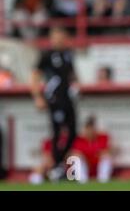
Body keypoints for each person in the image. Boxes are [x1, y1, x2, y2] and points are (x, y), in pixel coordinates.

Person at [30, 27, 78, 181]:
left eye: (61, 37)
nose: (59, 40)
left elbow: (71, 74)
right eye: (56, 37)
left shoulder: (68, 54)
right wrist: (37, 96)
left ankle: (59, 164)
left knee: (72, 132)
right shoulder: (46, 56)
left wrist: (76, 85)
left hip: (68, 99)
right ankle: (57, 168)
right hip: (55, 99)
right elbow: (35, 76)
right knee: (57, 133)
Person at [72, 116, 113, 183]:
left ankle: (103, 180)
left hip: (97, 164)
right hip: (86, 165)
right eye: (88, 129)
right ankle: (82, 180)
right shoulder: (79, 140)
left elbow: (109, 151)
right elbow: (75, 153)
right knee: (75, 158)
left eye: (92, 129)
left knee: (106, 157)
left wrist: (100, 154)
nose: (90, 132)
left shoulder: (103, 137)